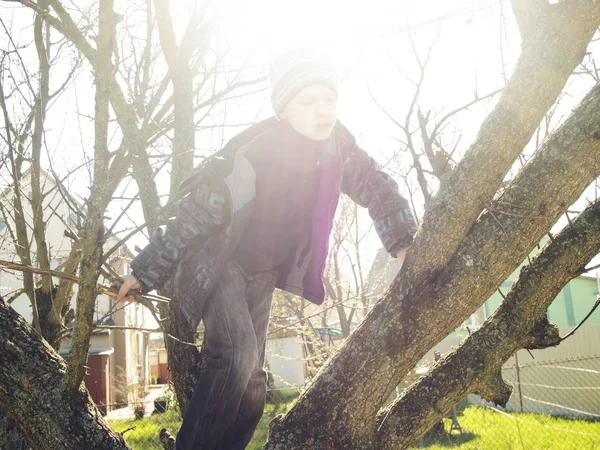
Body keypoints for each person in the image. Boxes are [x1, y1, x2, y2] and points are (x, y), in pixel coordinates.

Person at [115, 48, 417, 450]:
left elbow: (377, 185)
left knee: (254, 381)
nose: (321, 110)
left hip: (263, 274)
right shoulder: (254, 153)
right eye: (308, 101)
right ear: (284, 109)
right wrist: (145, 271)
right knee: (236, 356)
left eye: (329, 99)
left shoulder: (338, 150)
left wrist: (402, 243)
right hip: (220, 264)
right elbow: (193, 217)